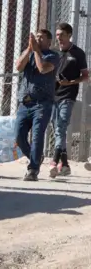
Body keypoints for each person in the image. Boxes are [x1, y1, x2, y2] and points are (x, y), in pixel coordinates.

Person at [15, 29, 60, 181]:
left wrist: (35, 51)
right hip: (25, 102)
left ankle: (33, 169)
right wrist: (29, 49)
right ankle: (35, 157)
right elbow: (19, 66)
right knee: (18, 136)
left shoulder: (53, 56)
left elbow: (42, 68)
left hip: (42, 103)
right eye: (37, 37)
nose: (38, 40)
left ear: (49, 42)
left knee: (37, 135)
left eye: (42, 38)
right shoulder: (29, 52)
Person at [49, 23, 89, 178]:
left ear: (69, 35)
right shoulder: (53, 52)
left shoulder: (78, 53)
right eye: (57, 35)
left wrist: (71, 82)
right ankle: (64, 164)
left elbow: (85, 76)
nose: (59, 38)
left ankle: (53, 162)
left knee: (61, 126)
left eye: (62, 35)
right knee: (57, 129)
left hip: (68, 96)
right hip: (52, 96)